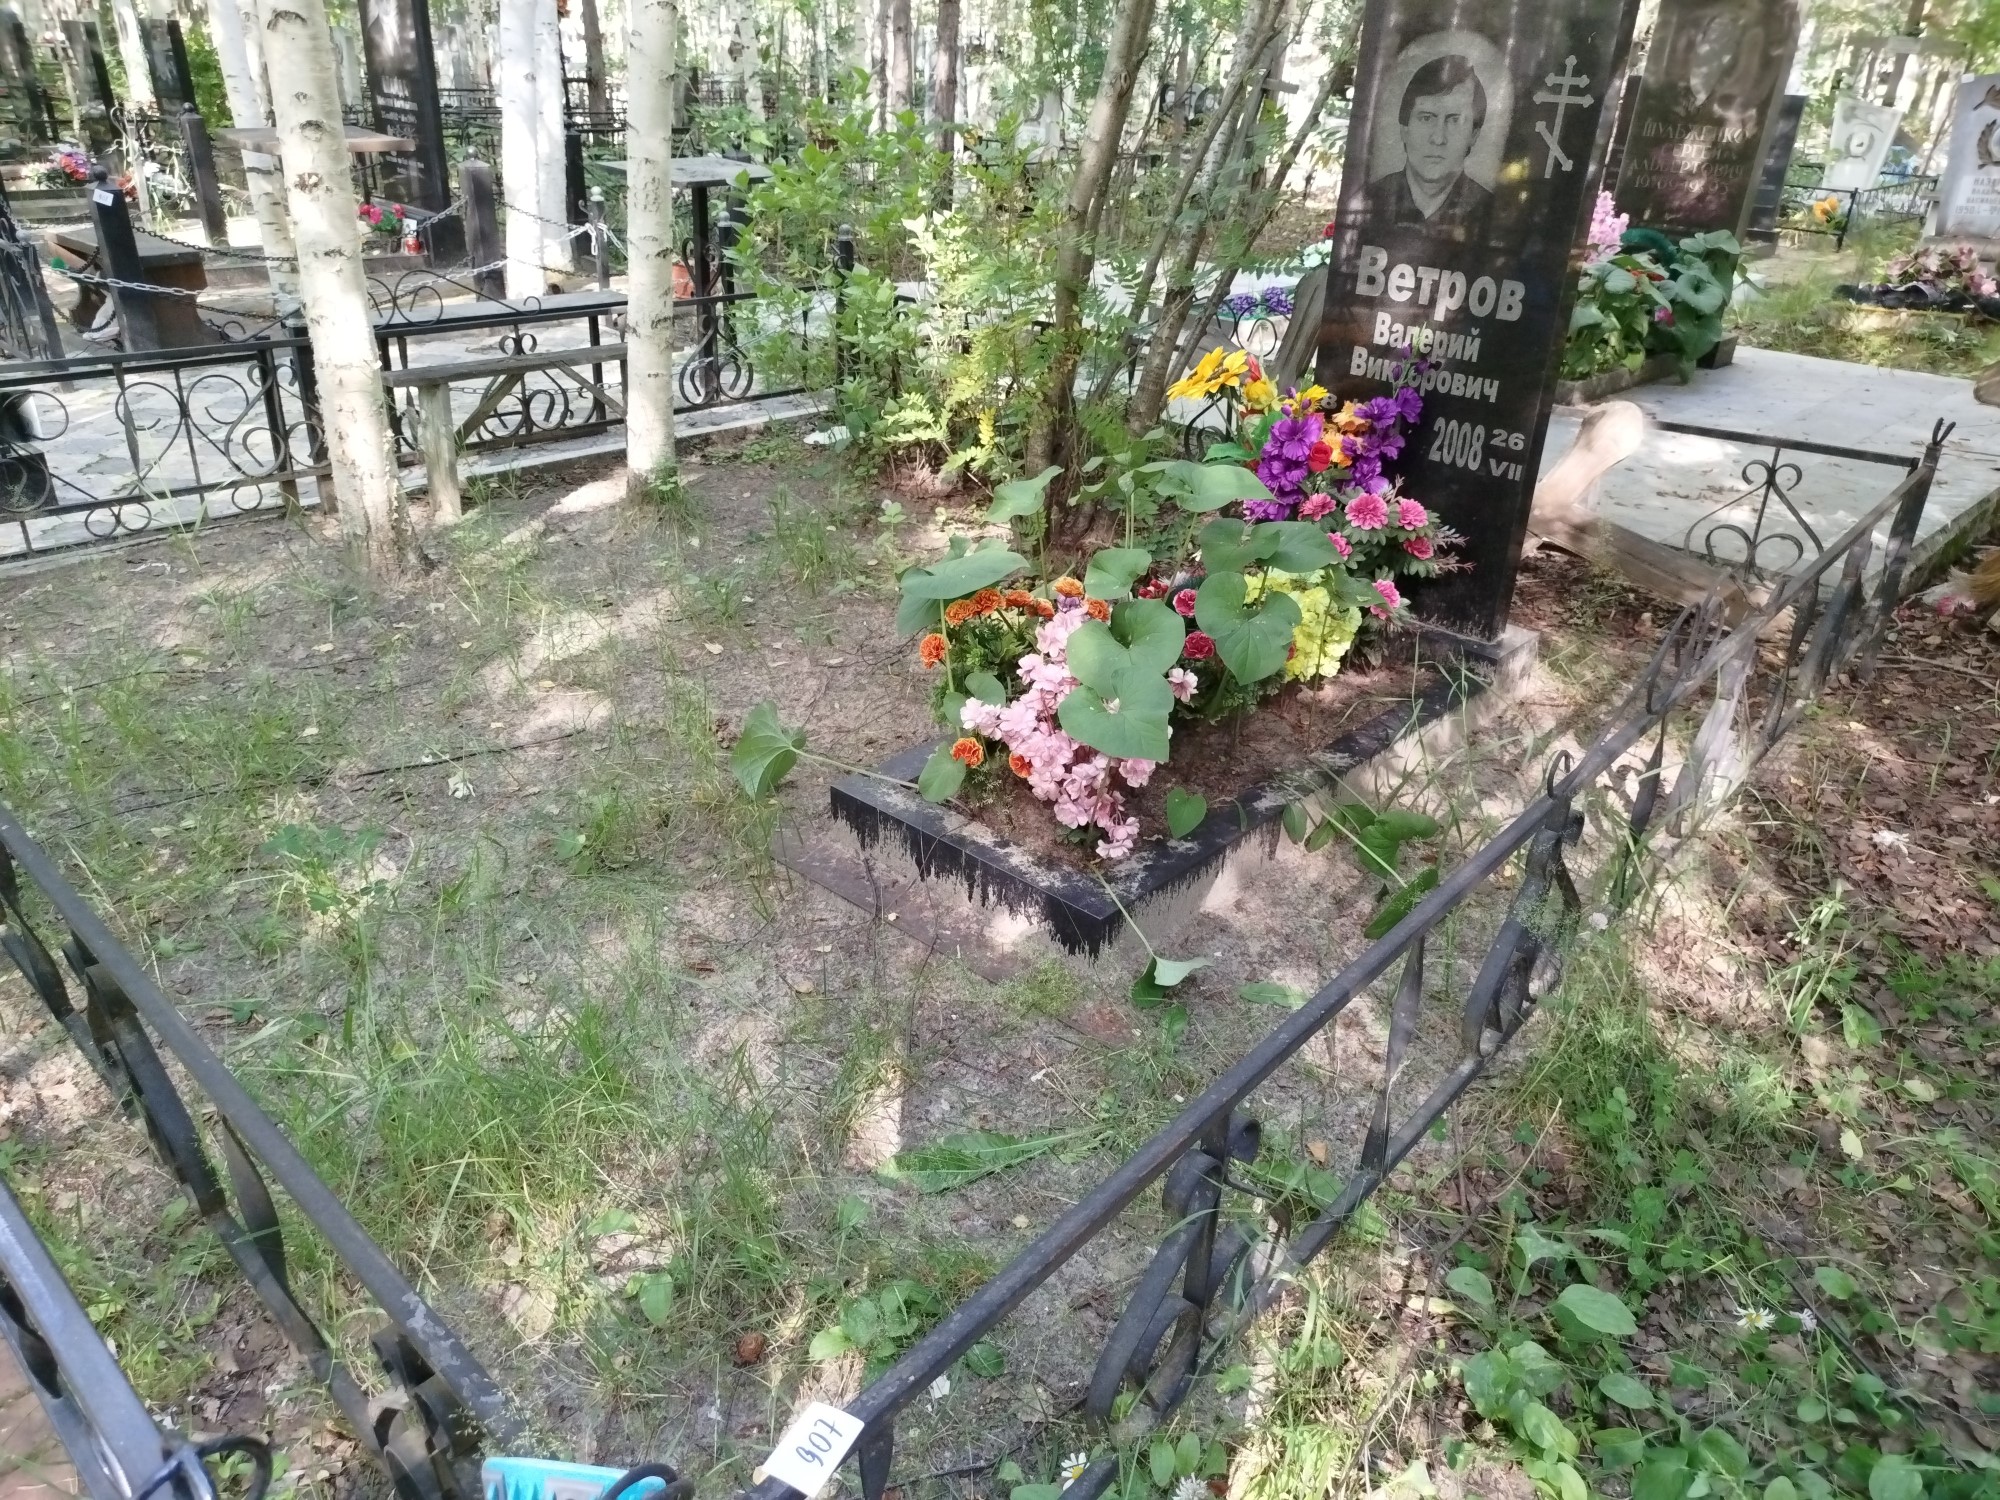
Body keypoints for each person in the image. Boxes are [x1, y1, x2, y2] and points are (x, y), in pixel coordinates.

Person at [1367, 54, 1493, 234]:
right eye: (1426, 118)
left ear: (1474, 134)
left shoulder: (1490, 211)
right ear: (1404, 129)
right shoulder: (1370, 198)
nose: (1438, 138)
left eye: (1455, 120)